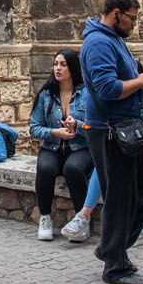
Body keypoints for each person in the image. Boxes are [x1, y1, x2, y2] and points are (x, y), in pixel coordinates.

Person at [78, 0, 143, 284]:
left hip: (127, 127)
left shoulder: (114, 40)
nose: (134, 24)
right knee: (121, 196)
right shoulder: (98, 43)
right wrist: (140, 81)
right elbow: (107, 88)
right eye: (132, 19)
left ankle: (112, 247)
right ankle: (115, 264)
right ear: (115, 14)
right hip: (111, 131)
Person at [29, 49, 92, 240]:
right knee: (45, 168)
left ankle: (81, 221)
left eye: (63, 64)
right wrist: (54, 132)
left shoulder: (86, 94)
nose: (58, 68)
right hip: (53, 147)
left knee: (73, 169)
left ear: (73, 67)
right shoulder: (46, 94)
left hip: (80, 147)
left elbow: (95, 128)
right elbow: (34, 128)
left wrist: (78, 125)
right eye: (55, 64)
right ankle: (45, 217)